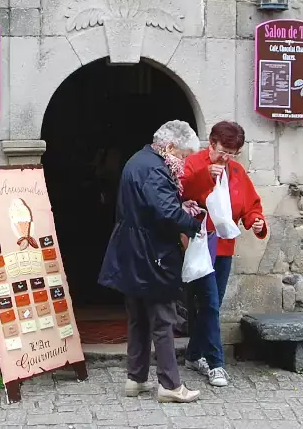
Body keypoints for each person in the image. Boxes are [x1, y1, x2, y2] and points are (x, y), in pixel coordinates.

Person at [98, 120, 205, 403]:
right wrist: (194, 225)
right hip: (152, 254)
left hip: (132, 251)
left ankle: (135, 378)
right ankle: (170, 385)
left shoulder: (138, 160)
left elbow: (151, 206)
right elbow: (166, 212)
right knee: (163, 320)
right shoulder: (156, 169)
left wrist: (180, 207)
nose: (183, 163)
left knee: (137, 318)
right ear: (169, 147)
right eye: (183, 156)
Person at [179, 120, 267, 387]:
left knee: (211, 304)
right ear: (211, 143)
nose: (226, 158)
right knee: (209, 303)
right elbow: (182, 193)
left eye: (232, 153)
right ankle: (216, 363)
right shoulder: (193, 163)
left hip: (224, 247)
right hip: (199, 244)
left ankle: (193, 355)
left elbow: (250, 204)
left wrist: (256, 221)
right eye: (222, 151)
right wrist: (206, 174)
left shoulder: (237, 171)